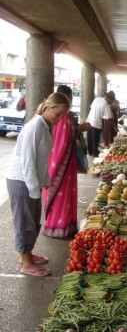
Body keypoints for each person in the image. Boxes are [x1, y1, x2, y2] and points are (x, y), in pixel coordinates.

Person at [6, 92, 70, 277]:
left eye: (62, 116)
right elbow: (27, 160)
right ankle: (26, 263)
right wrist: (34, 188)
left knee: (33, 222)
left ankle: (27, 255)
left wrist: (44, 180)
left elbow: (41, 158)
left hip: (31, 181)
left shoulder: (44, 125)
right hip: (21, 180)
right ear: (49, 107)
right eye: (57, 114)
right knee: (24, 222)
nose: (59, 119)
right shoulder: (35, 126)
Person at [43, 85, 90, 240]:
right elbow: (64, 140)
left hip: (60, 161)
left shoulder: (59, 115)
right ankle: (60, 227)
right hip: (63, 162)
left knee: (64, 195)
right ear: (68, 97)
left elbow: (64, 138)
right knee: (62, 195)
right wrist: (79, 130)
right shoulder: (65, 115)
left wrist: (77, 130)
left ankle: (64, 226)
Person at [86, 91, 115, 157]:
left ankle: (90, 151)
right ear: (109, 99)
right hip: (96, 122)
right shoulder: (105, 104)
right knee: (95, 139)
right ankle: (95, 152)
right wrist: (115, 127)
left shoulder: (97, 99)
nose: (111, 103)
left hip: (89, 120)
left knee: (90, 138)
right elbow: (109, 118)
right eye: (112, 101)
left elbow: (91, 107)